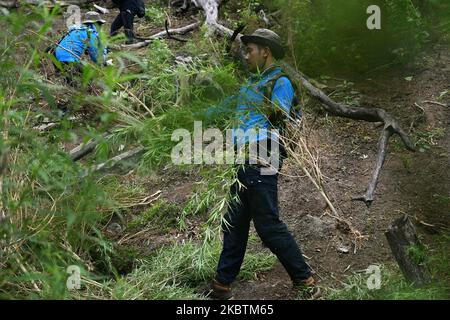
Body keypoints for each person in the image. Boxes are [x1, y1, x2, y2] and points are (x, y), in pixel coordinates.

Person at [206, 29, 320, 300]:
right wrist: (188, 116)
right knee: (234, 222)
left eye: (251, 50)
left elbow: (279, 114)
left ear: (265, 51)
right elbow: (222, 108)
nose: (246, 56)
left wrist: (257, 110)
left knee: (268, 225)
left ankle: (305, 280)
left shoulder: (280, 82)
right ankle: (222, 285)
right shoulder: (250, 85)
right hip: (242, 160)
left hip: (262, 156)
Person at [53, 11, 108, 86]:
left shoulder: (76, 30)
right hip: (69, 59)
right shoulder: (90, 33)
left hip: (56, 57)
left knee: (69, 80)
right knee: (88, 76)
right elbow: (96, 57)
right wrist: (104, 61)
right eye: (99, 24)